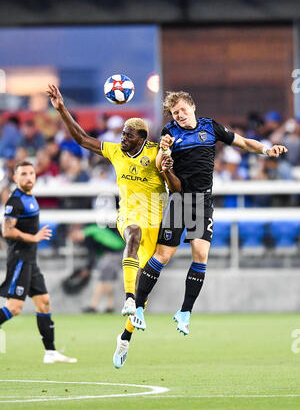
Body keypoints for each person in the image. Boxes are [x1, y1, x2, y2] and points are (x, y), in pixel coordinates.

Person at [131, 90, 288, 337]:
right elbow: (160, 164)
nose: (179, 115)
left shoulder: (210, 127)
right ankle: (138, 307)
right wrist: (164, 151)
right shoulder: (169, 133)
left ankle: (184, 312)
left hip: (202, 202)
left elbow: (244, 142)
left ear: (192, 106)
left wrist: (267, 151)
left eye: (182, 109)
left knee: (201, 255)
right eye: (175, 113)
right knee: (162, 256)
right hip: (181, 200)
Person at [46, 84, 182, 368]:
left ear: (142, 138)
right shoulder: (116, 152)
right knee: (131, 234)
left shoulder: (157, 153)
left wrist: (167, 169)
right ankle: (128, 298)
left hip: (154, 225)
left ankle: (124, 338)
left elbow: (178, 189)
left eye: (128, 135)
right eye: (121, 133)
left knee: (146, 290)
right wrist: (61, 109)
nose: (122, 138)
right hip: (128, 217)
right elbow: (83, 139)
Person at [0, 161, 77, 364]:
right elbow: (7, 230)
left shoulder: (30, 197)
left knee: (43, 302)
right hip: (19, 260)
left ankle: (50, 353)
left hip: (30, 261)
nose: (28, 177)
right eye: (23, 174)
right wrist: (33, 238)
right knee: (14, 308)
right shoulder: (15, 201)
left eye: (31, 173)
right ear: (15, 178)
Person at [68, 224, 125, 314]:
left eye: (74, 238)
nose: (75, 241)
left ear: (75, 233)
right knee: (106, 280)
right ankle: (109, 306)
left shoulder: (89, 236)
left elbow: (92, 255)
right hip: (115, 252)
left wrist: (87, 269)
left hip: (114, 253)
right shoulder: (92, 229)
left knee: (102, 280)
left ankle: (94, 306)